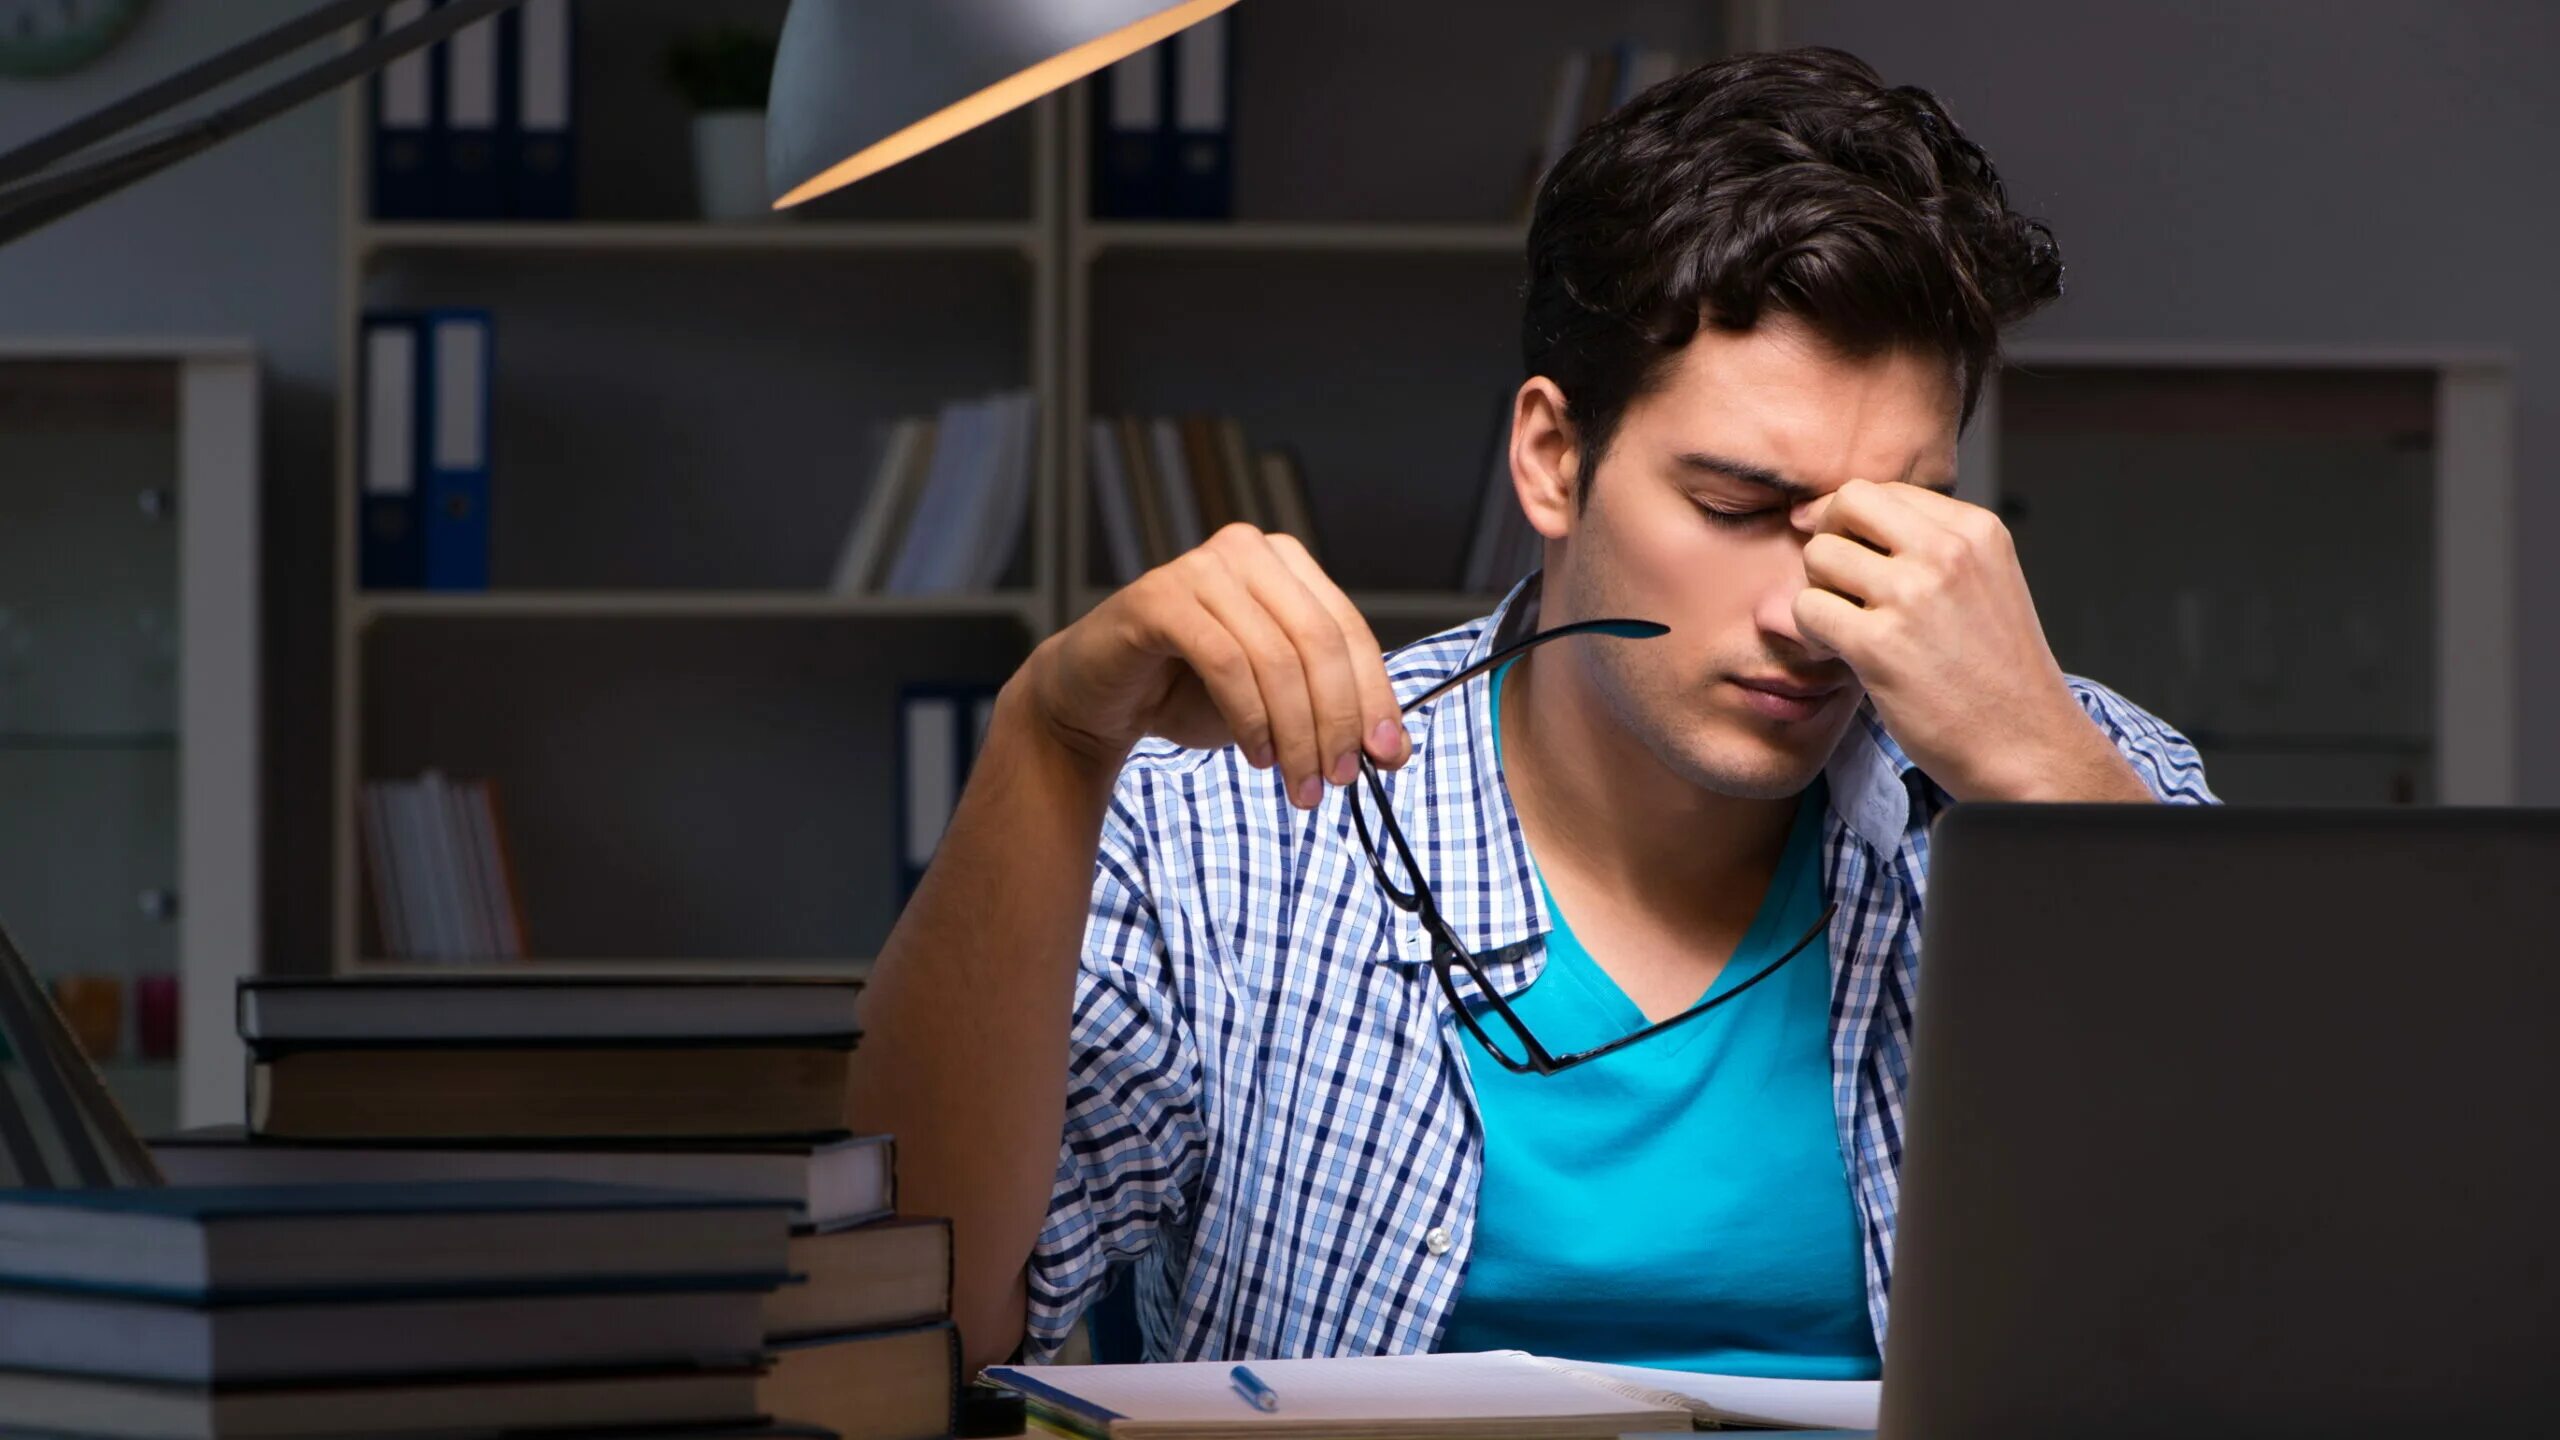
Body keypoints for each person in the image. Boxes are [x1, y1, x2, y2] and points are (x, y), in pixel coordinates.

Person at [848, 45, 2216, 1378]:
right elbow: (918, 1336)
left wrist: (2044, 778)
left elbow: (2277, 1271)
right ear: (1552, 460)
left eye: (1892, 525)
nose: (1813, 610)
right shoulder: (1215, 835)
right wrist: (1051, 743)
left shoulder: (2091, 782)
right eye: (1738, 508)